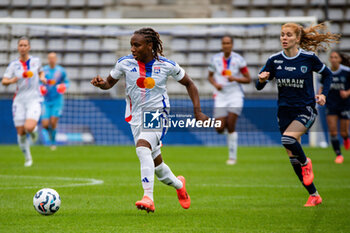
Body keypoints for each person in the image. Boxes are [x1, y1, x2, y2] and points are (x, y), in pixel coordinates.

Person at [91, 28, 208, 213]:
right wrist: (100, 84)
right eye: (131, 45)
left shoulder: (166, 65)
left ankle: (148, 197)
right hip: (135, 117)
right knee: (158, 168)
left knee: (142, 147)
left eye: (136, 45)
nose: (132, 49)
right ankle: (179, 185)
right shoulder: (124, 63)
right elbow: (108, 83)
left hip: (156, 114)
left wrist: (198, 111)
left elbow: (190, 83)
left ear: (149, 45)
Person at [256, 23, 338, 206]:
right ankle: (314, 195)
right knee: (291, 156)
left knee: (288, 140)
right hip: (284, 112)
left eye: (288, 35)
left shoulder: (308, 58)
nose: (284, 38)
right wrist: (261, 80)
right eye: (282, 35)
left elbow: (328, 75)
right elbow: (259, 85)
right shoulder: (274, 60)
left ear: (297, 38)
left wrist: (323, 94)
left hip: (305, 109)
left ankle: (306, 162)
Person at [2, 37, 47, 167]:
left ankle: (33, 131)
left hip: (34, 99)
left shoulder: (36, 61)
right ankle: (28, 158)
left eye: (25, 45)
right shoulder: (13, 65)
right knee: (21, 132)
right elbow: (4, 81)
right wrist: (13, 80)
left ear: (29, 47)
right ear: (18, 47)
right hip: (19, 100)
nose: (22, 47)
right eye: (20, 45)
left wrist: (43, 78)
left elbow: (41, 72)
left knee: (28, 127)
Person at [208, 36, 251, 165]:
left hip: (235, 95)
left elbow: (248, 79)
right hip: (220, 95)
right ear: (222, 45)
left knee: (231, 125)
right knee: (219, 128)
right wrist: (215, 85)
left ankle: (232, 157)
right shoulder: (215, 59)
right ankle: (228, 133)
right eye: (224, 43)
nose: (226, 45)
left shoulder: (239, 60)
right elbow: (210, 76)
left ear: (232, 45)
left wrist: (235, 79)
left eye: (228, 43)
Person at [319, 51, 350, 164]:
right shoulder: (327, 72)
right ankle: (338, 155)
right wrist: (320, 95)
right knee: (332, 131)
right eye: (331, 57)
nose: (333, 59)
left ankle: (346, 138)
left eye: (335, 57)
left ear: (340, 59)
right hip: (331, 104)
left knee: (344, 132)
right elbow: (322, 87)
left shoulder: (346, 72)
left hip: (344, 105)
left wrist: (347, 92)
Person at [40, 52, 69, 151]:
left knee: (53, 122)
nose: (51, 60)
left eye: (53, 58)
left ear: (56, 59)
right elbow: (39, 82)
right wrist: (41, 87)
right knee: (44, 124)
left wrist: (63, 86)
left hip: (57, 101)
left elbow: (67, 82)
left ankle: (53, 142)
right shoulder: (44, 70)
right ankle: (50, 133)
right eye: (50, 58)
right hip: (46, 100)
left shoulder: (61, 71)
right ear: (48, 59)